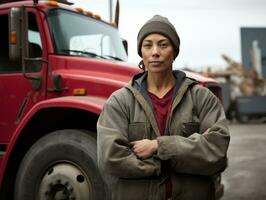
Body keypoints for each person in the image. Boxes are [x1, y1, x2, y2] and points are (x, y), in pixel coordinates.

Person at [97, 15, 230, 200]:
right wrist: (170, 161)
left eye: (163, 44)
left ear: (174, 51)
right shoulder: (119, 102)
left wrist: (159, 146)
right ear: (141, 52)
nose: (155, 52)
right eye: (148, 45)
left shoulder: (201, 98)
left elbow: (217, 151)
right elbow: (111, 158)